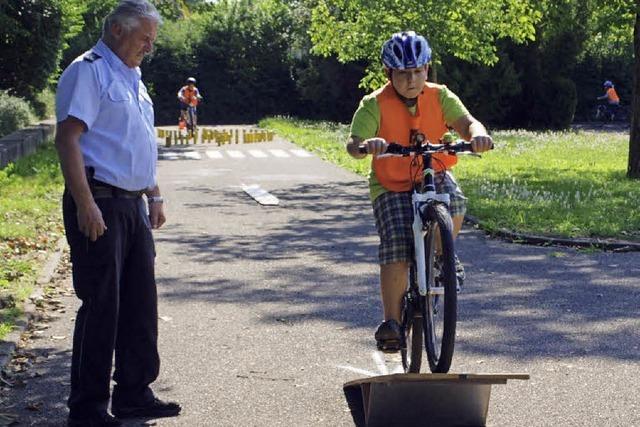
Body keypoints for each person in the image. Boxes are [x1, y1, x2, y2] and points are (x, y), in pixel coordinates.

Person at [54, 1, 181, 425]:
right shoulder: (87, 71)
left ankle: (134, 392)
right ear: (115, 30)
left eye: (151, 40)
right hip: (100, 203)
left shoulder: (133, 77)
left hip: (131, 204)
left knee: (140, 305)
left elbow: (135, 143)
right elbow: (68, 139)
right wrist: (85, 202)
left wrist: (155, 195)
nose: (149, 47)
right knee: (102, 306)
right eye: (144, 38)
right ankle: (88, 409)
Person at [345, 31, 493, 352]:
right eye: (402, 73)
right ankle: (392, 324)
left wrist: (478, 134)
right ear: (389, 74)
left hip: (433, 169)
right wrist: (365, 146)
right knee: (397, 245)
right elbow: (354, 143)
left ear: (427, 69)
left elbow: (467, 123)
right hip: (391, 183)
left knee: (454, 203)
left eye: (417, 71)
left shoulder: (441, 96)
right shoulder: (373, 105)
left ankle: (443, 257)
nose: (411, 80)